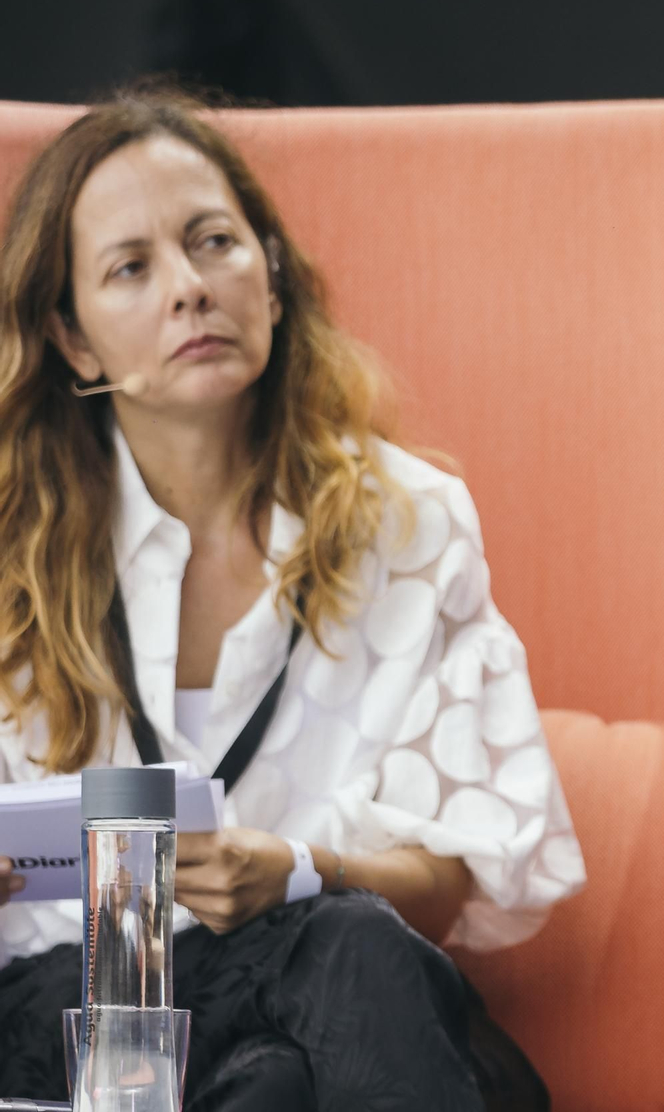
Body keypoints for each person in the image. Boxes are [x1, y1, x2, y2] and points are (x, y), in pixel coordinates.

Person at [0, 90, 586, 1110]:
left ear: (270, 278)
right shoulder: (12, 544)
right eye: (131, 267)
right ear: (74, 340)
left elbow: (450, 878)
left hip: (327, 1004)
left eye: (213, 242)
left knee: (282, 1069)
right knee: (345, 957)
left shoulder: (408, 522)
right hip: (73, 1006)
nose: (190, 288)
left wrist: (301, 869)